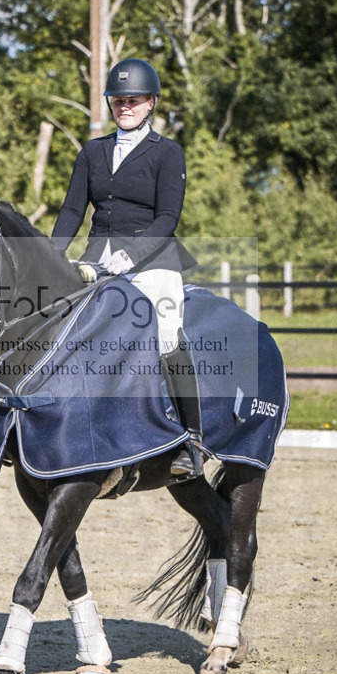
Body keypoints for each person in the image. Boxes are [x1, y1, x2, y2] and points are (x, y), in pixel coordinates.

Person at [52, 57, 203, 477]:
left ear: (151, 103)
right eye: (118, 101)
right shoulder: (93, 151)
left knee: (168, 333)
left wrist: (130, 256)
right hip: (97, 258)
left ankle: (190, 441)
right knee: (56, 322)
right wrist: (47, 256)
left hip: (152, 261)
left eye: (133, 100)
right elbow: (71, 211)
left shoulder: (168, 153)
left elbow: (167, 219)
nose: (125, 107)